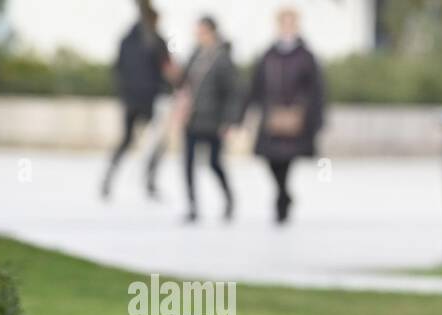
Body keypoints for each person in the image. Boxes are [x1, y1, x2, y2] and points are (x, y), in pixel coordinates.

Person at [239, 7, 325, 224]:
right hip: (271, 116)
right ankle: (284, 193)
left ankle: (281, 203)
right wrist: (242, 114)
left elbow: (316, 89)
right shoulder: (268, 54)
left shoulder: (306, 56)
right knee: (270, 159)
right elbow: (256, 86)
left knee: (286, 160)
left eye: (290, 23)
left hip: (297, 118)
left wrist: (313, 116)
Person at [101, 2, 173, 200]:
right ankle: (148, 182)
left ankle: (109, 179)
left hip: (131, 100)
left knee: (127, 141)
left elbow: (117, 69)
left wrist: (124, 94)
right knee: (157, 143)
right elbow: (168, 71)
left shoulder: (127, 40)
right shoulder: (156, 41)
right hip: (148, 100)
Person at [178, 16, 238, 223]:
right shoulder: (194, 55)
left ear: (212, 32)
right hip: (192, 119)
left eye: (202, 31)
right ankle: (192, 206)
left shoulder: (223, 58)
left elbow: (233, 92)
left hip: (213, 120)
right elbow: (183, 83)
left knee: (214, 163)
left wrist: (228, 121)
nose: (198, 36)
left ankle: (229, 200)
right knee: (187, 163)